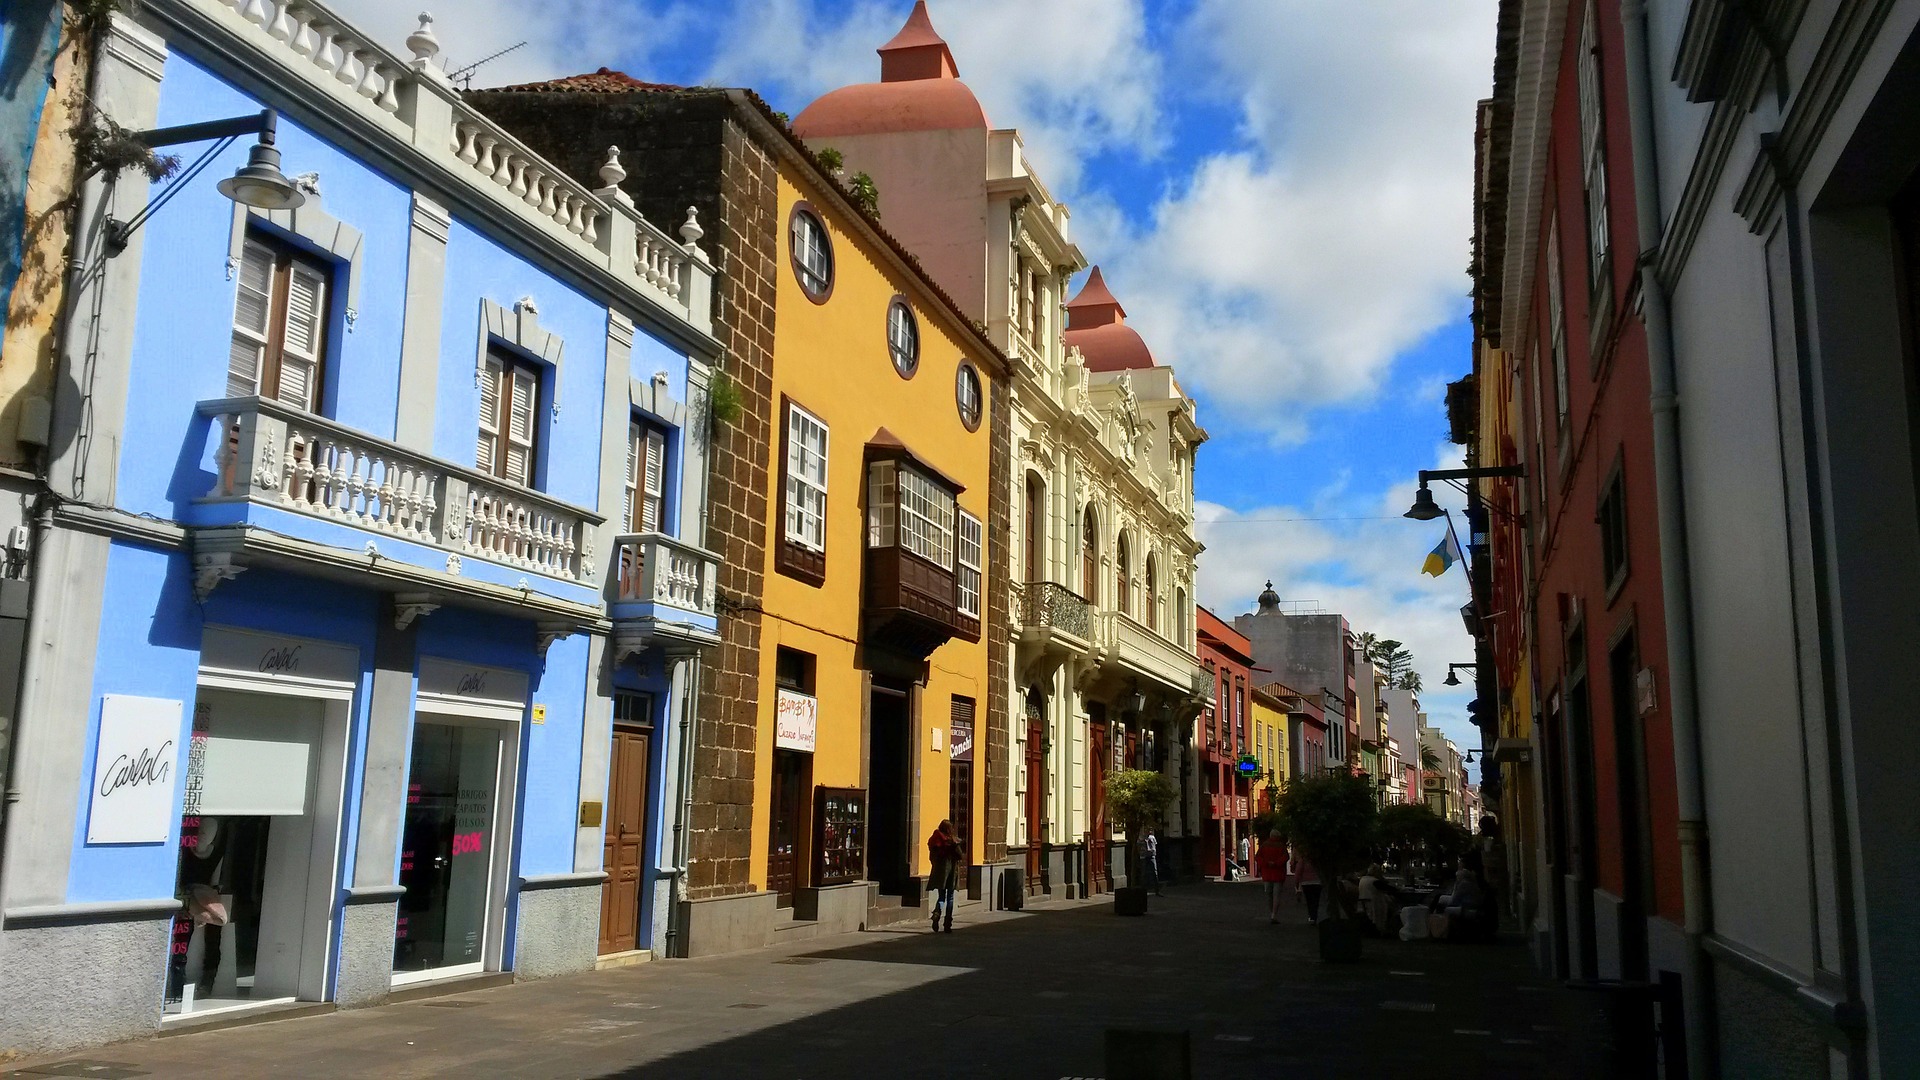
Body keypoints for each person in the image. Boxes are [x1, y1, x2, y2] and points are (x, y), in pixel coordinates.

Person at [927, 820, 962, 933]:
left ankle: (937, 914)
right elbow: (960, 855)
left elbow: (932, 857)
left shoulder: (935, 840)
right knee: (950, 898)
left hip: (940, 873)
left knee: (941, 898)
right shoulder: (952, 841)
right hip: (951, 872)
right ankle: (947, 924)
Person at [1255, 834, 1289, 923]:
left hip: (1267, 874)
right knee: (1276, 895)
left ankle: (1272, 913)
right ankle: (1274, 914)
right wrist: (1276, 863)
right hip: (1278, 874)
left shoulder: (1264, 845)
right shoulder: (1281, 846)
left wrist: (1266, 863)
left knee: (1269, 894)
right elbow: (1285, 857)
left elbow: (1258, 857)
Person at [1295, 854, 1323, 924]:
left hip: (1306, 882)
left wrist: (1297, 883)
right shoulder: (1319, 860)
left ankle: (1311, 916)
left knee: (1309, 900)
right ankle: (1314, 916)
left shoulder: (1303, 860)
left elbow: (1298, 871)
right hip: (1317, 882)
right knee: (1316, 900)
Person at [1141, 830, 1163, 895]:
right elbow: (1139, 846)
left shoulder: (1152, 837)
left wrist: (1154, 852)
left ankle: (1157, 890)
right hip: (1144, 856)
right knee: (1143, 873)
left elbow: (1155, 845)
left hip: (1152, 856)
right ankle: (1143, 890)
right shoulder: (1142, 837)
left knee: (1154, 872)